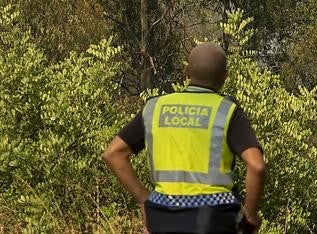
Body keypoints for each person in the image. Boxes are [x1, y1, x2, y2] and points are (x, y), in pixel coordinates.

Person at [103, 43, 266, 234]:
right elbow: (256, 166)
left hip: (161, 217)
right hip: (214, 220)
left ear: (186, 71)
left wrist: (144, 200)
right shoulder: (227, 111)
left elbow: (113, 153)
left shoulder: (155, 108)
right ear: (225, 76)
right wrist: (251, 216)